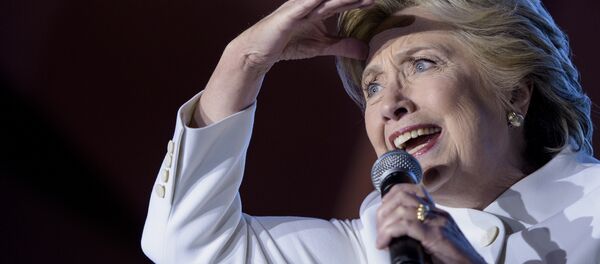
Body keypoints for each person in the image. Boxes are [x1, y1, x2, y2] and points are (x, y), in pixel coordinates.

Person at [141, 0, 600, 263]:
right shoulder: (370, 244)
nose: (389, 104)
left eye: (422, 64)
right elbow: (185, 245)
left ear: (515, 94)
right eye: (372, 86)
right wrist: (244, 61)